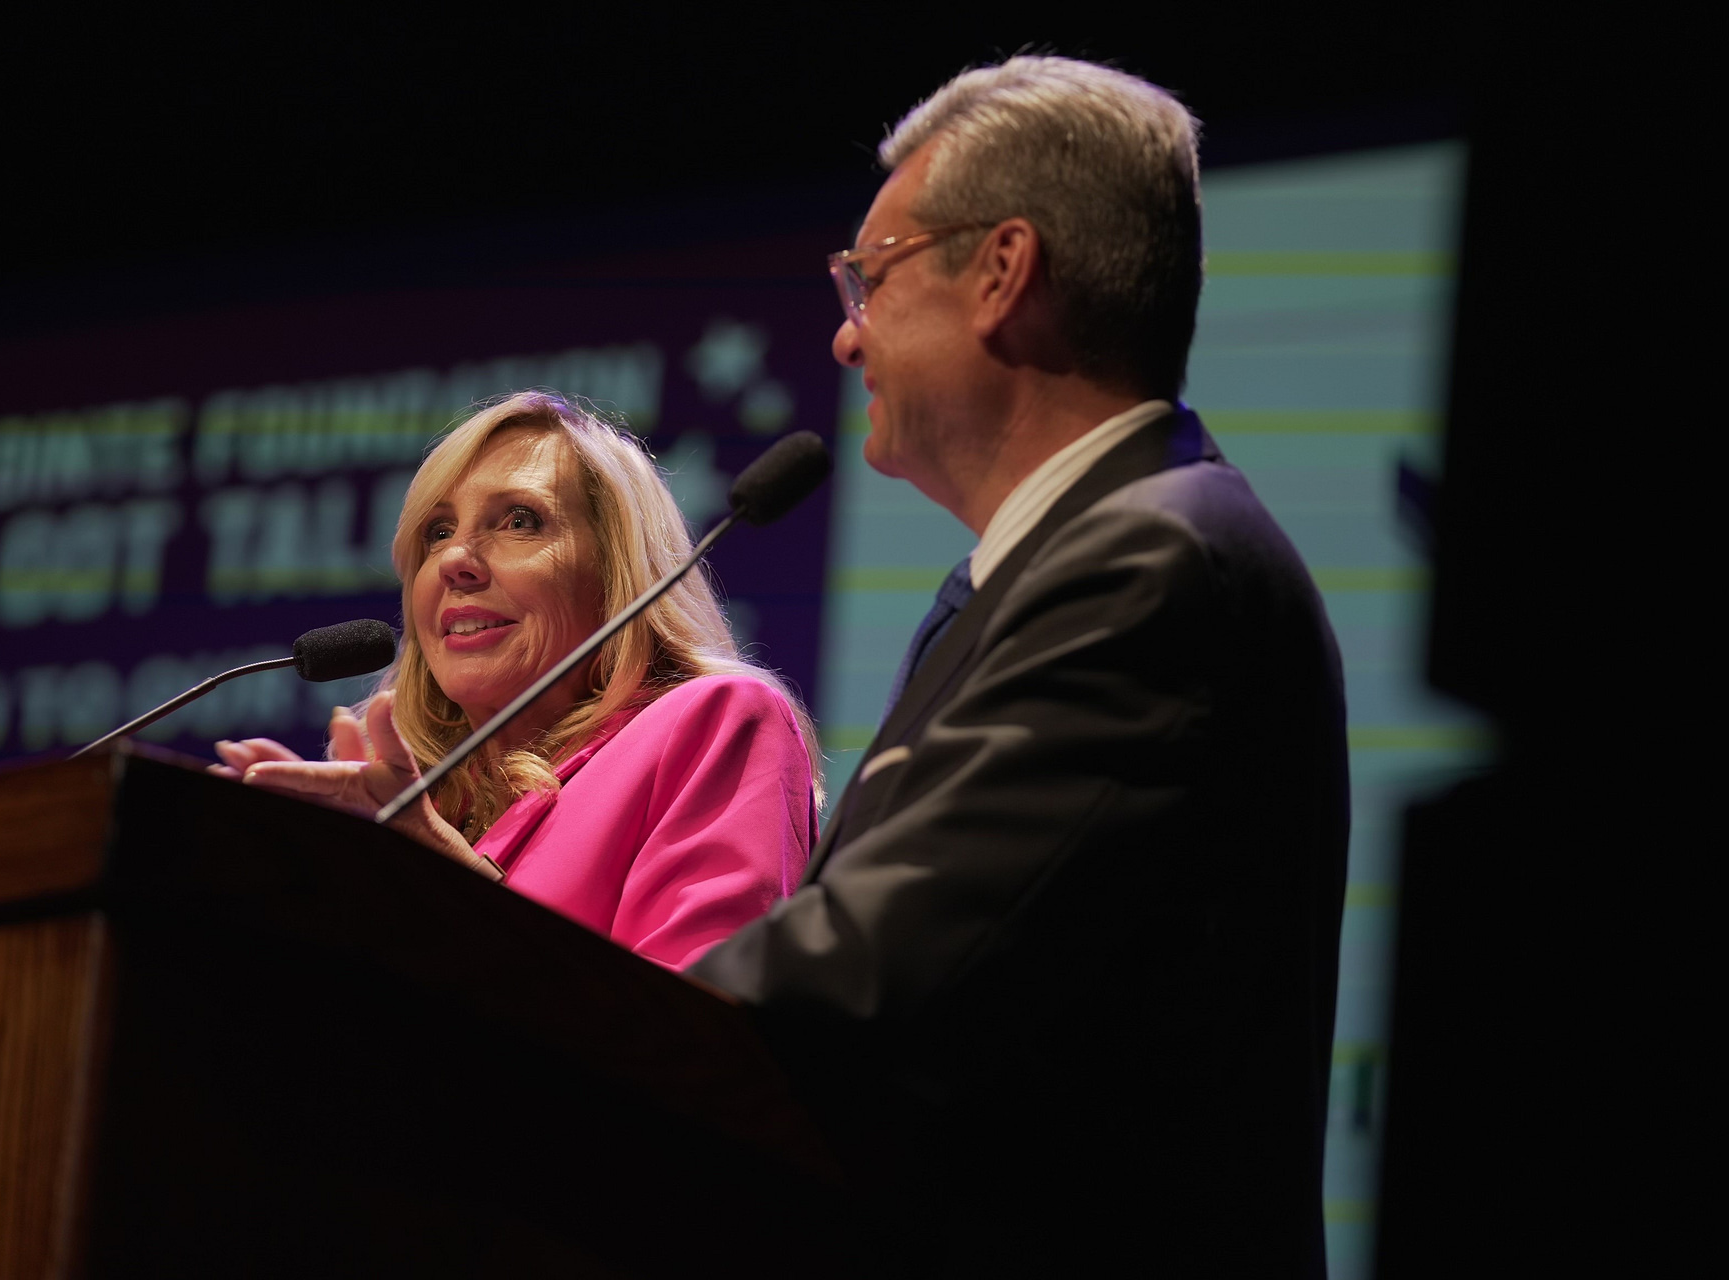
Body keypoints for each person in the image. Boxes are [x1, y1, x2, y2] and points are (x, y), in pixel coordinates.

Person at [688, 57, 1350, 1273]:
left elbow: (855, 990)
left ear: (1002, 272)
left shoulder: (1152, 564)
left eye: (869, 277)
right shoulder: (1058, 569)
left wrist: (490, 979)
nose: (843, 334)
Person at [215, 391, 821, 972]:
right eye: (437, 532)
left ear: (617, 574)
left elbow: (698, 1041)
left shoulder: (715, 721)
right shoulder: (406, 805)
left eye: (520, 521)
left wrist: (446, 886)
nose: (455, 559)